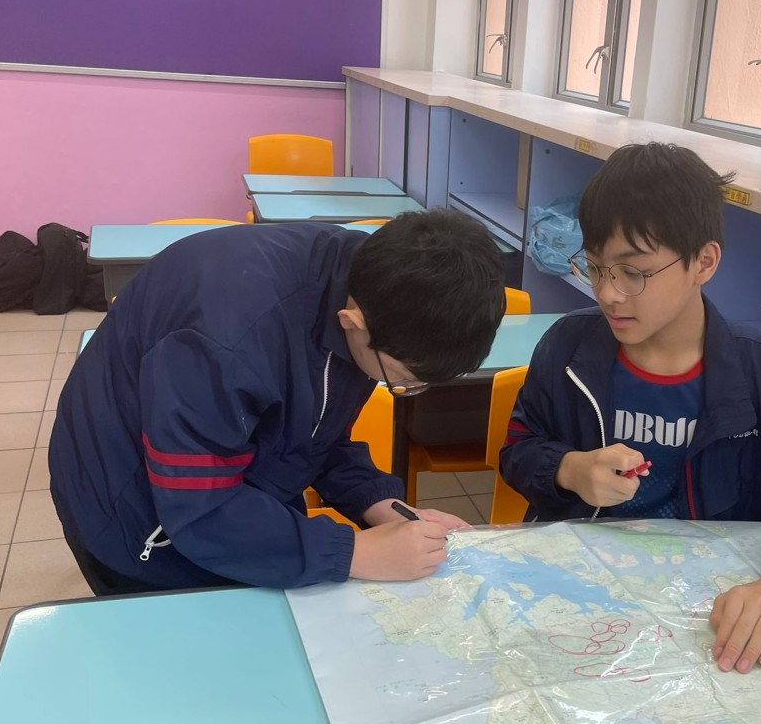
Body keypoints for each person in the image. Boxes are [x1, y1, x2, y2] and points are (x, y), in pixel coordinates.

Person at [500, 143, 761, 672]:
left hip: (706, 619)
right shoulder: (566, 350)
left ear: (703, 262)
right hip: (581, 604)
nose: (609, 293)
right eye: (594, 267)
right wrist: (570, 469)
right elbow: (518, 451)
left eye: (633, 272)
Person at [51, 210, 505, 595]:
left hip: (224, 487)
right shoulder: (225, 338)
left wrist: (381, 504)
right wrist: (353, 552)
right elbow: (200, 508)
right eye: (402, 380)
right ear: (354, 322)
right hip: (131, 508)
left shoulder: (374, 287)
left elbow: (316, 429)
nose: (403, 386)